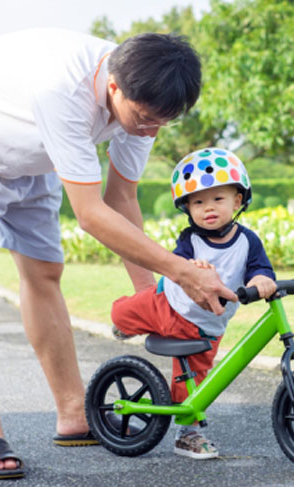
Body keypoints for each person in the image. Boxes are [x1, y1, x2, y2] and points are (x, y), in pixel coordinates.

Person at [0, 28, 236, 480]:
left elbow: (121, 201)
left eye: (163, 122)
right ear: (114, 87)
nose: (151, 130)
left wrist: (153, 300)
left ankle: (72, 414)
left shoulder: (146, 100)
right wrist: (181, 273)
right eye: (144, 119)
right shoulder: (61, 92)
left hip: (33, 149)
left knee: (45, 270)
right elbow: (90, 213)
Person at [110, 148, 277, 459]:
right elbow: (178, 263)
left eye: (218, 199)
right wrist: (192, 269)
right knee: (126, 311)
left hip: (206, 326)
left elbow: (260, 270)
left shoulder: (248, 241)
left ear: (238, 201)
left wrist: (260, 283)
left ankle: (188, 434)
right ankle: (123, 323)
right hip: (169, 305)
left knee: (195, 386)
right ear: (187, 208)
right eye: (198, 202)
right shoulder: (191, 239)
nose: (208, 208)